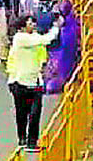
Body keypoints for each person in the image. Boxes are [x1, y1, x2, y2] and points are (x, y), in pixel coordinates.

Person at [6, 14, 63, 149]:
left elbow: (43, 44)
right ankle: (22, 139)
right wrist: (56, 27)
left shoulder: (33, 37)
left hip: (35, 81)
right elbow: (46, 39)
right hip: (19, 82)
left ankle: (32, 141)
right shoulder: (20, 38)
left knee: (35, 112)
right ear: (22, 26)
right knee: (22, 112)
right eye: (30, 23)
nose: (33, 25)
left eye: (33, 23)